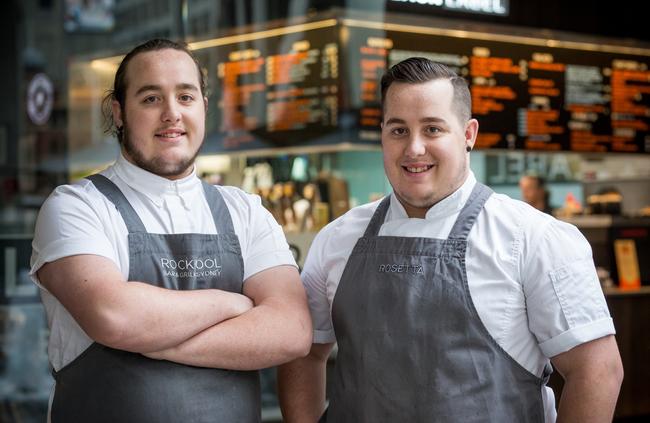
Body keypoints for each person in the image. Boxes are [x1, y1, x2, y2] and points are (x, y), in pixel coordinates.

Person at [277, 58, 623, 422]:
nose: (414, 148)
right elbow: (306, 352)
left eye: (432, 129)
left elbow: (597, 370)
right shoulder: (337, 238)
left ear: (468, 134)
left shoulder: (534, 238)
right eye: (398, 130)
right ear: (382, 134)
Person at [30, 38, 312, 423]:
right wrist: (231, 304)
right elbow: (114, 317)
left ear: (204, 108)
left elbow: (291, 332)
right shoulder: (77, 206)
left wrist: (151, 339)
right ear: (119, 112)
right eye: (150, 99)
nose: (171, 114)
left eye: (185, 97)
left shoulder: (245, 211)